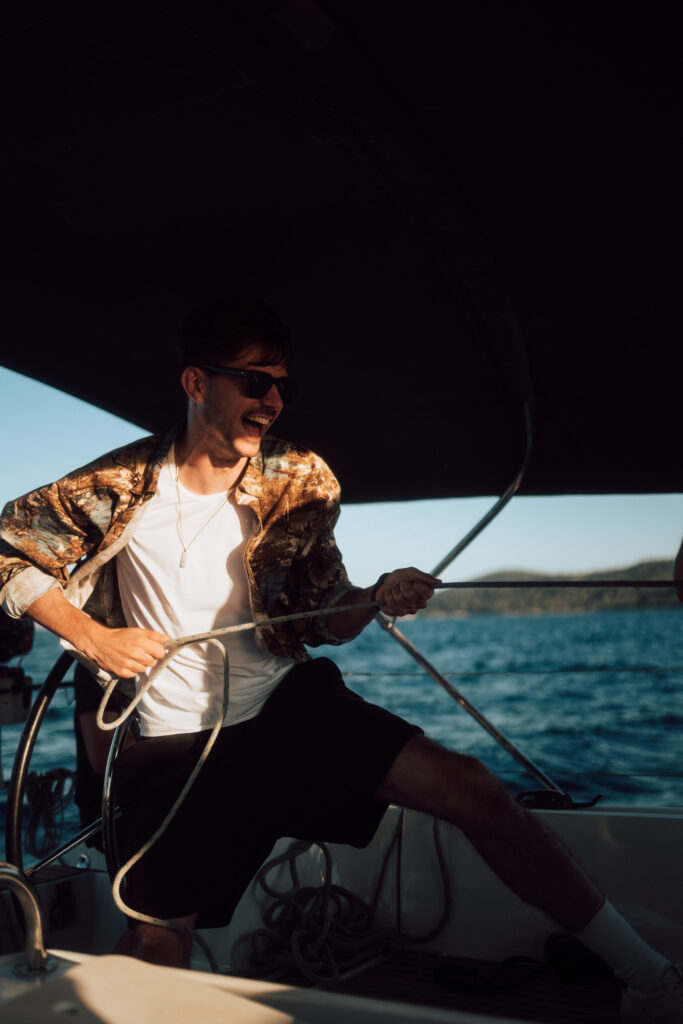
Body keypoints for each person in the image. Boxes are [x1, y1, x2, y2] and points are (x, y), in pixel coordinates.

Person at [0, 299, 680, 1021]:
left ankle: (651, 980)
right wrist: (88, 635)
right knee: (157, 934)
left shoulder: (301, 479)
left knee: (475, 789)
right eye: (254, 382)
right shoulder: (115, 485)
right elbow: (8, 550)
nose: (272, 401)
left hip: (286, 707)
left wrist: (376, 597)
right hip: (174, 744)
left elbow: (325, 616)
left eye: (283, 385)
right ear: (196, 383)